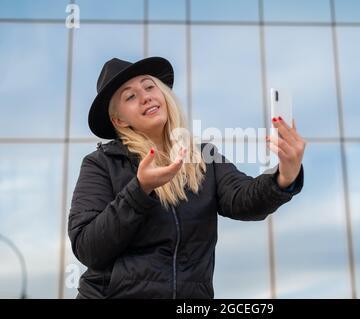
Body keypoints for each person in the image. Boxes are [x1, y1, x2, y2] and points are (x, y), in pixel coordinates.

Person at [68, 57, 306, 299]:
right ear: (119, 120)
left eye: (149, 87)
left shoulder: (204, 157)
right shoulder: (101, 164)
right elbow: (87, 247)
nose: (146, 96)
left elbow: (244, 200)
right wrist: (139, 190)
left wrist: (285, 175)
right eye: (130, 96)